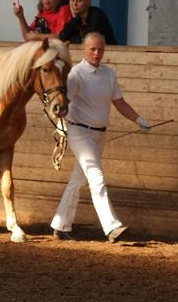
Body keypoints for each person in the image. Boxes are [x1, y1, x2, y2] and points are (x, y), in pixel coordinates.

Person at [50, 32, 153, 244]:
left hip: (99, 134)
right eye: (92, 49)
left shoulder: (108, 74)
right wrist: (61, 122)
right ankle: (112, 227)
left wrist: (138, 119)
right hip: (79, 132)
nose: (97, 53)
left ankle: (60, 225)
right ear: (84, 50)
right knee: (96, 177)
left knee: (78, 180)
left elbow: (120, 103)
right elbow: (63, 102)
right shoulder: (75, 75)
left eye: (100, 50)